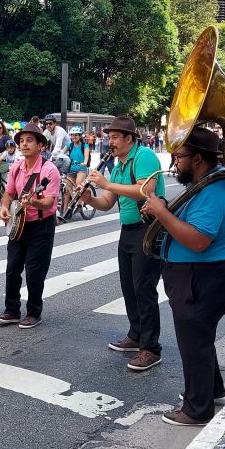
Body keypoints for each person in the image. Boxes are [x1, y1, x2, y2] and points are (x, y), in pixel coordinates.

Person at [139, 126, 225, 426]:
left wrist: (162, 213)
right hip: (200, 275)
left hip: (201, 277)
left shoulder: (212, 191)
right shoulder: (207, 184)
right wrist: (162, 211)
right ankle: (212, 390)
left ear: (197, 158)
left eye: (180, 156)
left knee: (193, 341)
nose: (175, 162)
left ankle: (197, 409)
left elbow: (197, 240)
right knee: (200, 338)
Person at [80, 116, 165, 372]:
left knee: (144, 288)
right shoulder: (118, 165)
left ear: (129, 138)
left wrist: (106, 183)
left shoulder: (144, 157)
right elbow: (107, 202)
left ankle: (150, 348)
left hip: (147, 229)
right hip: (128, 231)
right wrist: (89, 198)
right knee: (129, 286)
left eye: (115, 137)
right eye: (109, 137)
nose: (110, 142)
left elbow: (144, 190)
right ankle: (136, 334)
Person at [0, 123, 60, 328]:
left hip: (41, 226)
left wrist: (33, 202)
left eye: (29, 140)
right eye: (21, 141)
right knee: (12, 268)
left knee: (35, 271)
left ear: (41, 146)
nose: (24, 144)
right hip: (19, 223)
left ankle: (33, 312)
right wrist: (4, 208)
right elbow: (9, 193)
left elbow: (50, 202)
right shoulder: (16, 167)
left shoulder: (50, 171)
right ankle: (11, 310)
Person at [63, 127, 90, 214]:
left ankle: (79, 205)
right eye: (72, 135)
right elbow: (61, 153)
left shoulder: (84, 145)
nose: (74, 137)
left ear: (80, 136)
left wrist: (84, 162)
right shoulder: (69, 145)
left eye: (76, 135)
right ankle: (65, 210)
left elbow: (86, 156)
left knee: (78, 183)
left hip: (81, 169)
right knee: (66, 189)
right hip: (71, 169)